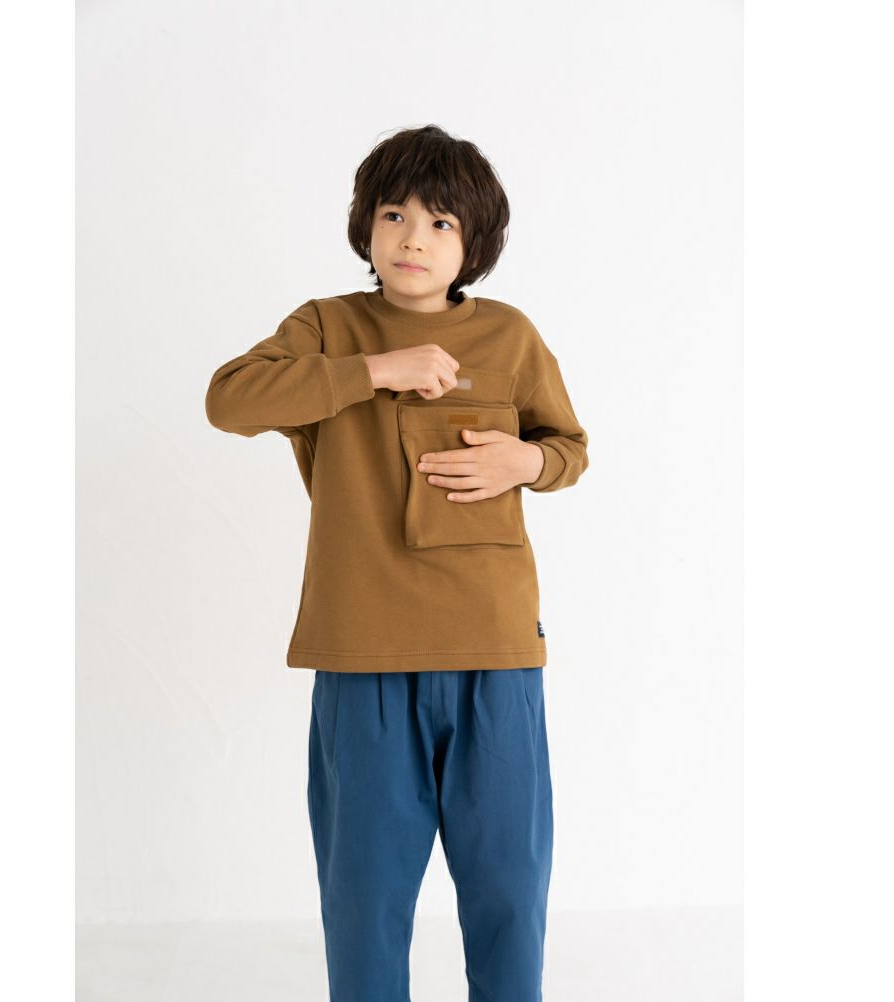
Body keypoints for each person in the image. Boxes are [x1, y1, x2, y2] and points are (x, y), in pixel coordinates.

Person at [205, 124, 590, 1002]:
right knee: (365, 901)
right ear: (365, 226)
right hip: (363, 654)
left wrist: (524, 460)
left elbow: (569, 448)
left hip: (494, 654)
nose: (414, 238)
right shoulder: (328, 326)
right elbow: (229, 400)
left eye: (441, 222)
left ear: (474, 243)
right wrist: (375, 370)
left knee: (509, 891)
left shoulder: (511, 336)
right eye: (394, 215)